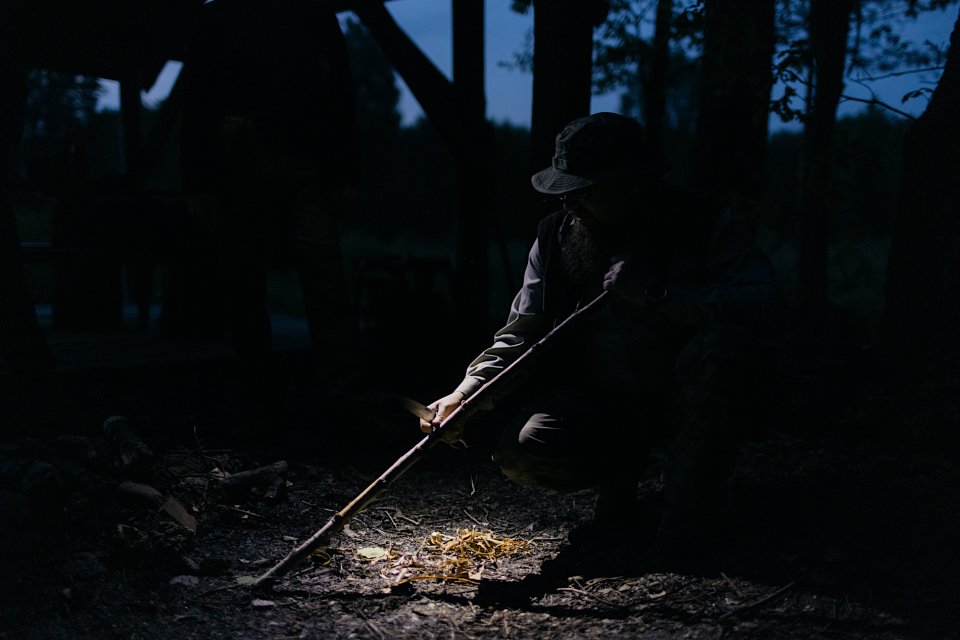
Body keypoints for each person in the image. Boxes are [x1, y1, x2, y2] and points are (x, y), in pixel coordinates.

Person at [419, 112, 783, 558]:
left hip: (685, 397)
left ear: (633, 183)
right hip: (603, 402)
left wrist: (660, 294)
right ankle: (620, 482)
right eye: (564, 191)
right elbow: (520, 335)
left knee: (719, 355)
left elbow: (764, 303)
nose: (569, 203)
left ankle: (690, 513)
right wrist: (466, 394)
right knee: (525, 449)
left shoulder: (703, 222)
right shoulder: (556, 237)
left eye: (584, 191)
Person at [177, 0, 363, 424]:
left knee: (320, 284)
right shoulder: (220, 18)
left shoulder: (309, 15)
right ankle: (264, 397)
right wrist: (199, 183)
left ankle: (338, 399)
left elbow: (339, 93)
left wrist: (345, 172)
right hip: (245, 163)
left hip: (298, 162)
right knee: (249, 286)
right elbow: (198, 101)